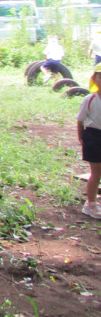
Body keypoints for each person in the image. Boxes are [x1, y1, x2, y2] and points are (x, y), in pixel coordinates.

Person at [77, 64, 101, 219]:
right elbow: (80, 120)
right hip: (93, 136)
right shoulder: (90, 99)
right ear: (94, 79)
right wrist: (81, 138)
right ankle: (90, 204)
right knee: (97, 171)